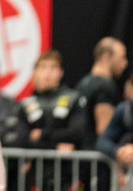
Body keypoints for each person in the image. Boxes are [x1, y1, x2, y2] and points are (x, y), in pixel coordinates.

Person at [14, 50, 87, 189]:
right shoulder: (26, 104)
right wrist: (55, 146)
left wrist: (41, 135)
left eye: (53, 68)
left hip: (68, 174)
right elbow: (22, 139)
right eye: (43, 67)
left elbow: (78, 133)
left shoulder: (73, 98)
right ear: (35, 72)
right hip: (36, 177)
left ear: (61, 72)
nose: (48, 73)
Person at [76, 37, 128, 149]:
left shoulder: (83, 83)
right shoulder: (105, 86)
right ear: (106, 57)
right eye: (122, 57)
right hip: (97, 156)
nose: (125, 63)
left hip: (83, 153)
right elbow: (104, 130)